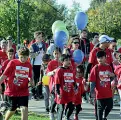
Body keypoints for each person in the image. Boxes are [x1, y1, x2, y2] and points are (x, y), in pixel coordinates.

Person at [0, 47, 34, 120]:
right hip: (12, 91)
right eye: (21, 57)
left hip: (23, 91)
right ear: (18, 55)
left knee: (24, 109)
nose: (23, 59)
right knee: (13, 109)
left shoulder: (29, 65)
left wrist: (32, 81)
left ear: (28, 56)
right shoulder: (12, 63)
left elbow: (30, 77)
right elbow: (4, 75)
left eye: (25, 57)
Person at [89, 51, 115, 120]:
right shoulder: (96, 68)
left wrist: (112, 75)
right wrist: (92, 93)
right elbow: (92, 81)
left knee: (110, 106)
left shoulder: (109, 66)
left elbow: (112, 78)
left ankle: (104, 116)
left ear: (105, 57)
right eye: (98, 58)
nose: (99, 59)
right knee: (99, 109)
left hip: (108, 93)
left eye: (101, 57)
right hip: (99, 93)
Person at [54, 54, 77, 120]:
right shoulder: (59, 70)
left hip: (70, 92)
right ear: (62, 62)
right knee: (61, 108)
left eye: (69, 60)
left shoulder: (71, 70)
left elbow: (74, 81)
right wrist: (58, 93)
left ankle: (67, 117)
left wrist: (76, 87)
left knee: (72, 107)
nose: (68, 61)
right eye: (66, 60)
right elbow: (57, 83)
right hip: (62, 93)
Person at [29, 31, 46, 99]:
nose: (40, 38)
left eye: (41, 37)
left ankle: (40, 93)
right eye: (39, 37)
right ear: (35, 38)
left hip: (41, 64)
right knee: (35, 79)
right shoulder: (32, 46)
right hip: (35, 64)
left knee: (41, 79)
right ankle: (34, 93)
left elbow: (44, 53)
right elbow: (31, 55)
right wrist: (37, 53)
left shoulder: (43, 45)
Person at [46, 47, 62, 120]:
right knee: (54, 100)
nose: (56, 55)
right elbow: (47, 73)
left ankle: (59, 116)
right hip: (53, 85)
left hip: (61, 85)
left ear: (60, 54)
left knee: (60, 101)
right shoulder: (51, 63)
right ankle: (51, 112)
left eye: (58, 53)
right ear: (53, 54)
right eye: (55, 53)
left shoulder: (62, 62)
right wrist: (53, 72)